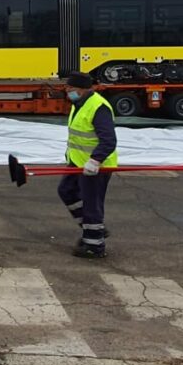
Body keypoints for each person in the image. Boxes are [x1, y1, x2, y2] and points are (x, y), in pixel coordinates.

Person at [56, 72, 117, 259]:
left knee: (92, 204)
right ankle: (93, 229)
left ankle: (94, 246)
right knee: (66, 190)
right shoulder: (79, 103)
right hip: (78, 161)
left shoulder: (98, 107)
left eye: (71, 89)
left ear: (83, 89)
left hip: (95, 166)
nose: (68, 92)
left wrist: (95, 160)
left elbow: (108, 140)